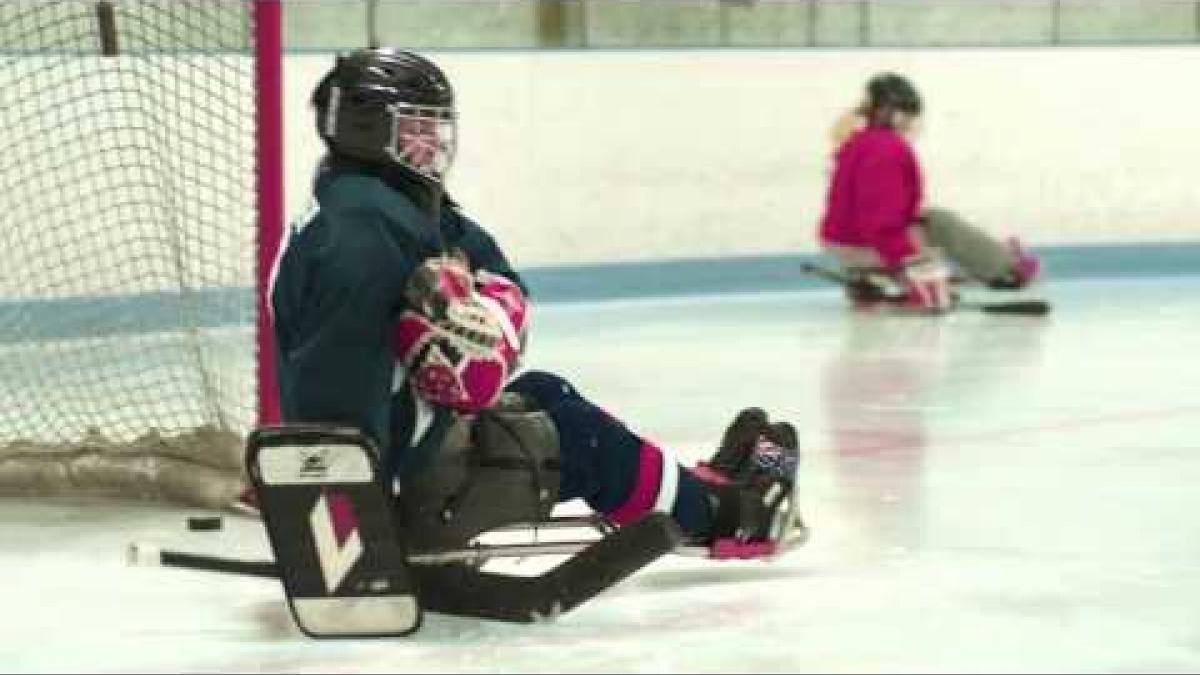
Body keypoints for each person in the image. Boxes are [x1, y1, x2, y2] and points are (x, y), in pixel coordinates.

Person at [269, 48, 805, 559]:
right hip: (413, 490)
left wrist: (483, 290)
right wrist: (357, 528)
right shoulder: (361, 238)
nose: (432, 140)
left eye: (434, 125)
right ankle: (726, 516)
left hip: (415, 435)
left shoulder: (378, 200)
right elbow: (335, 397)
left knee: (547, 392)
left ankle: (691, 493)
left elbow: (488, 261)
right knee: (571, 437)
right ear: (368, 129)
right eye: (416, 125)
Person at [819, 72, 1041, 312]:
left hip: (848, 238)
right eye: (912, 117)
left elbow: (867, 209)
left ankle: (1000, 263)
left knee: (934, 218)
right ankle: (1007, 269)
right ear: (897, 115)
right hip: (862, 244)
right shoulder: (887, 150)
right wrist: (915, 267)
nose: (913, 124)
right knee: (942, 225)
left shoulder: (862, 142)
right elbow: (879, 222)